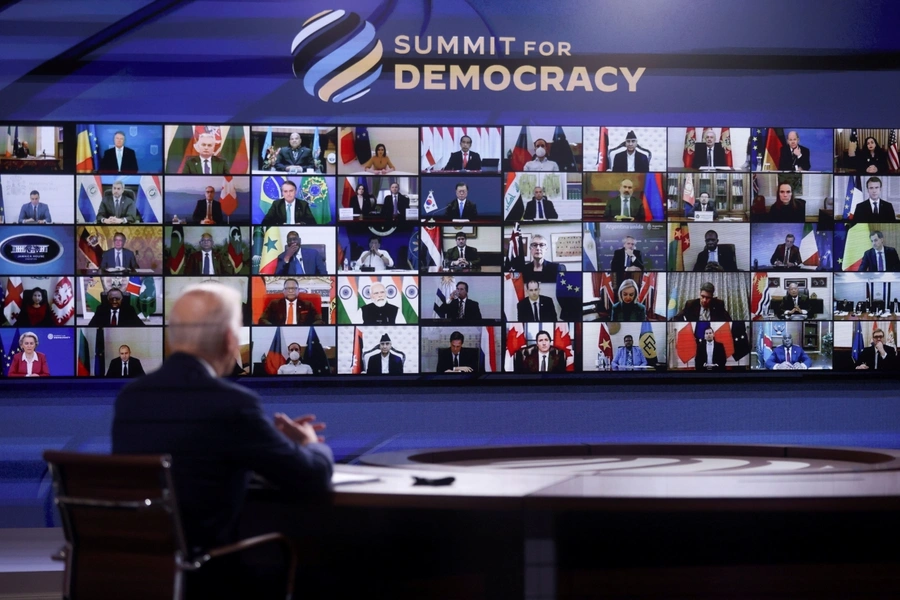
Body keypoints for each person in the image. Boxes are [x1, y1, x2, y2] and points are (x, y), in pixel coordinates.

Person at [111, 282, 333, 572]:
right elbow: (311, 477)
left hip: (140, 572)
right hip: (206, 572)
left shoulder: (131, 398)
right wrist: (308, 443)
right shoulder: (232, 403)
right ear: (230, 340)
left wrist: (263, 440)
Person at [259, 278, 324, 325]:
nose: (290, 291)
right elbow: (262, 319)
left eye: (293, 288)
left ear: (298, 291)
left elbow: (319, 320)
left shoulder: (307, 304)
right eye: (287, 288)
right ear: (283, 291)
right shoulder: (274, 304)